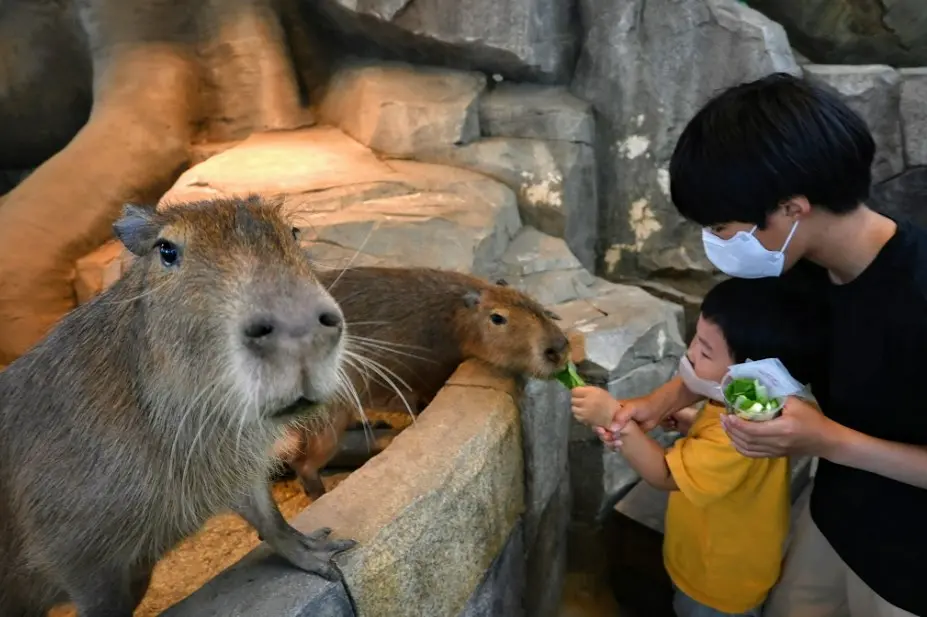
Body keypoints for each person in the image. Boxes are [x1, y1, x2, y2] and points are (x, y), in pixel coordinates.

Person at [599, 72, 927, 617]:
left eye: (725, 227)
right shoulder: (796, 268)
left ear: (792, 208)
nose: (717, 243)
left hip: (911, 570)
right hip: (833, 522)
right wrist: (660, 403)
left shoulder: (916, 297)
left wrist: (825, 439)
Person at [572, 276, 827, 617]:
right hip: (719, 561)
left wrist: (612, 419)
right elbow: (735, 455)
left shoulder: (740, 429)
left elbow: (664, 474)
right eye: (696, 338)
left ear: (755, 372)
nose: (691, 353)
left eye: (706, 351)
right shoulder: (757, 400)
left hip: (716, 584)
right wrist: (694, 422)